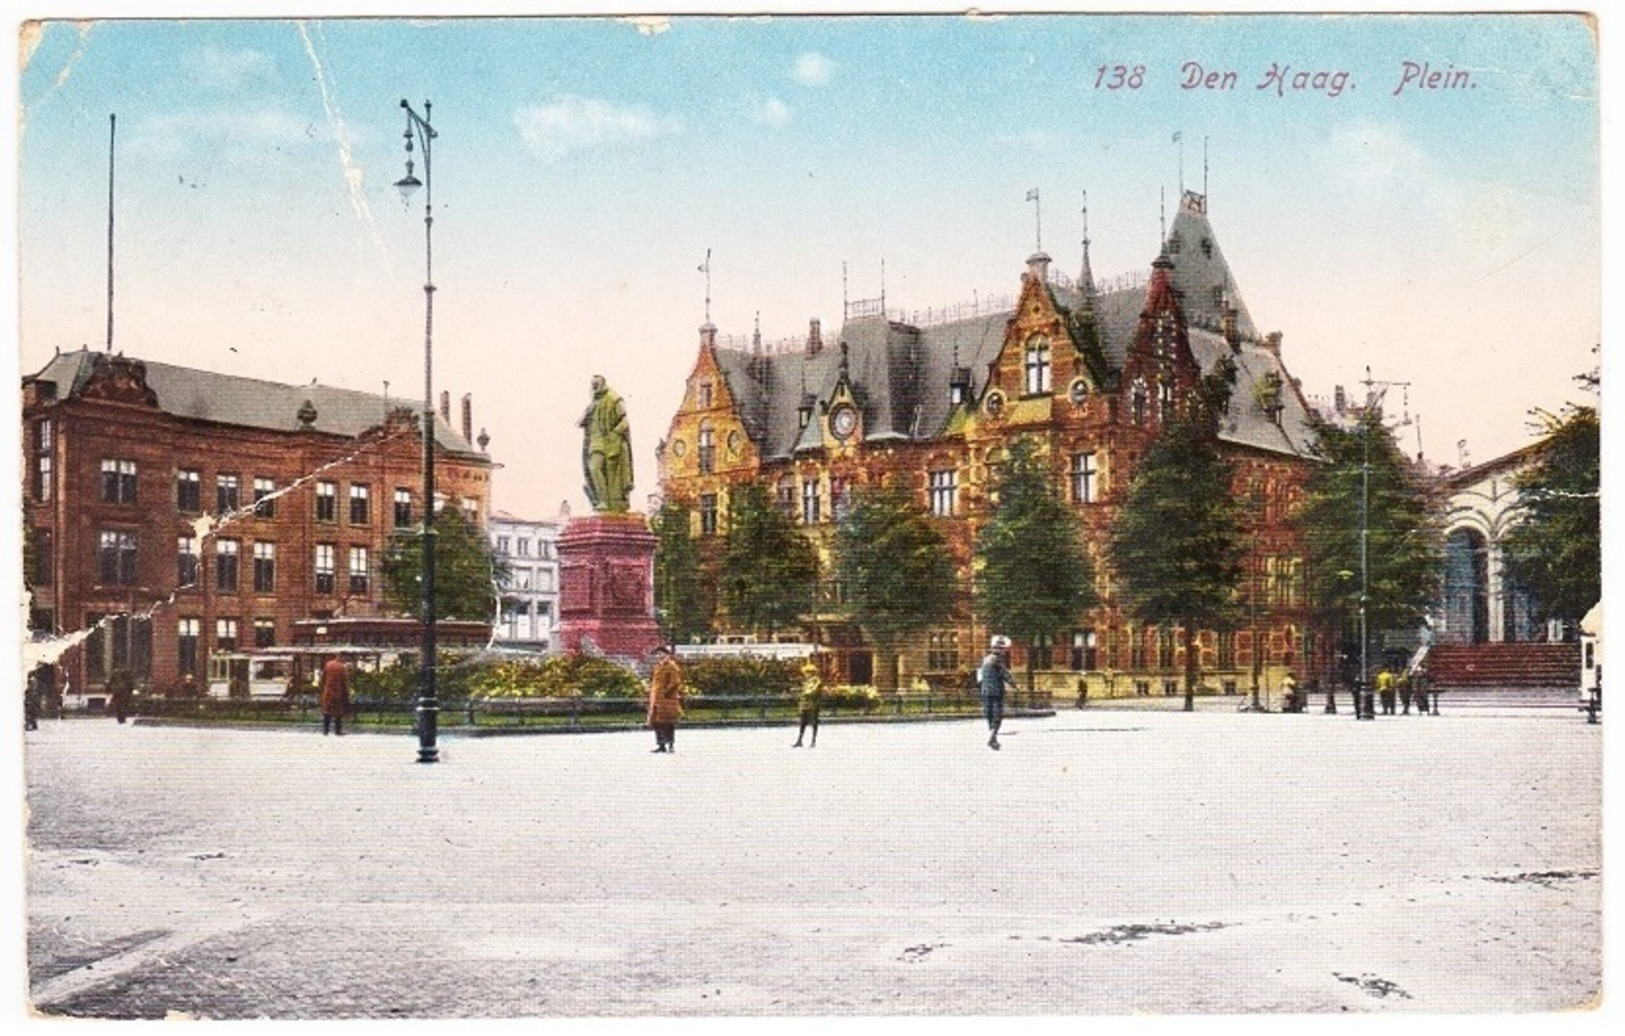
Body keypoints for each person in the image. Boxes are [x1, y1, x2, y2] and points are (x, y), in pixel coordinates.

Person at [579, 374, 634, 513]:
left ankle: (610, 503)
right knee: (594, 468)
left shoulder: (614, 398)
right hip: (595, 442)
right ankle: (602, 500)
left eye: (597, 384)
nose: (594, 387)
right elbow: (583, 422)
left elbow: (624, 422)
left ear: (603, 383)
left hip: (610, 443)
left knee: (612, 476)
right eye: (593, 385)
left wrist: (614, 434)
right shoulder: (593, 403)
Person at [979, 635, 1018, 750]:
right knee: (997, 715)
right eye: (1003, 649)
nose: (1004, 651)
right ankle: (992, 736)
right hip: (996, 692)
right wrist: (1014, 684)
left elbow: (980, 677)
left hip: (985, 691)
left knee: (989, 714)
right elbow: (1005, 674)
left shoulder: (986, 659)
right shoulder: (997, 661)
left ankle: (993, 737)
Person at [647, 644, 684, 753]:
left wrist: (667, 692)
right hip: (657, 698)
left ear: (666, 654)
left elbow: (675, 681)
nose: (659, 656)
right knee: (657, 722)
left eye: (661, 654)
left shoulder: (671, 666)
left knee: (668, 722)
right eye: (657, 654)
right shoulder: (658, 666)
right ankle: (661, 744)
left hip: (667, 699)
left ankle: (670, 744)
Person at [793, 659, 823, 748]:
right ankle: (799, 740)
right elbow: (804, 691)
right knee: (802, 723)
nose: (806, 675)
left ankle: (813, 741)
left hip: (813, 705)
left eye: (807, 673)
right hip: (805, 705)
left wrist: (805, 693)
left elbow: (812, 692)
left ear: (811, 673)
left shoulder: (817, 681)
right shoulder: (807, 682)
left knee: (814, 723)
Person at [319, 654, 350, 736]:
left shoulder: (328, 664)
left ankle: (326, 730)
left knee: (327, 712)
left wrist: (322, 689)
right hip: (338, 692)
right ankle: (338, 730)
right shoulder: (342, 668)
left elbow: (323, 679)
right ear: (342, 658)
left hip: (328, 692)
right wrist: (346, 694)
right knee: (338, 713)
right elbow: (344, 682)